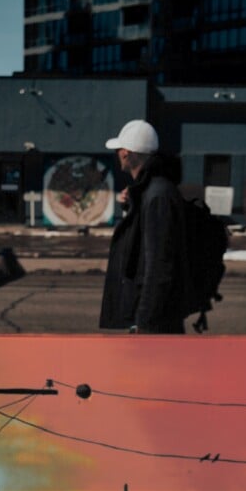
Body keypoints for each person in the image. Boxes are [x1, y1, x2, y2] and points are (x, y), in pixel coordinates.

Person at [99, 119, 191, 334]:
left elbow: (159, 265)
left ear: (127, 153)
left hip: (156, 321)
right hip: (154, 315)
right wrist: (132, 205)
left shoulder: (157, 195)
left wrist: (144, 320)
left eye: (119, 149)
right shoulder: (152, 191)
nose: (118, 154)